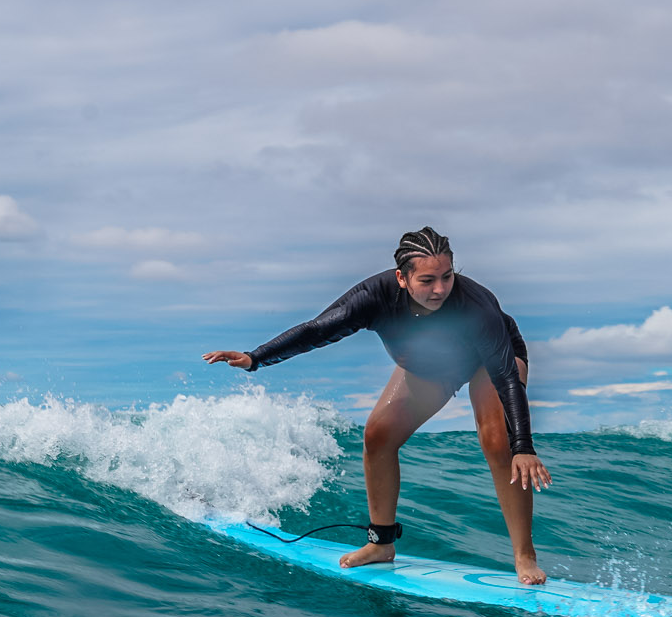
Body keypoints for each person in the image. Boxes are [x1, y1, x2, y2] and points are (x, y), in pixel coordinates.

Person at [203, 227, 553, 585]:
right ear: (402, 278)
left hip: (491, 363)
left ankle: (524, 556)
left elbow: (506, 377)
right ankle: (381, 543)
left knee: (497, 439)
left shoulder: (475, 306)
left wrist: (523, 446)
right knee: (378, 436)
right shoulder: (375, 297)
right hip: (430, 368)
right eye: (428, 280)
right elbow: (317, 330)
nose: (440, 289)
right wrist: (255, 357)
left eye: (447, 277)